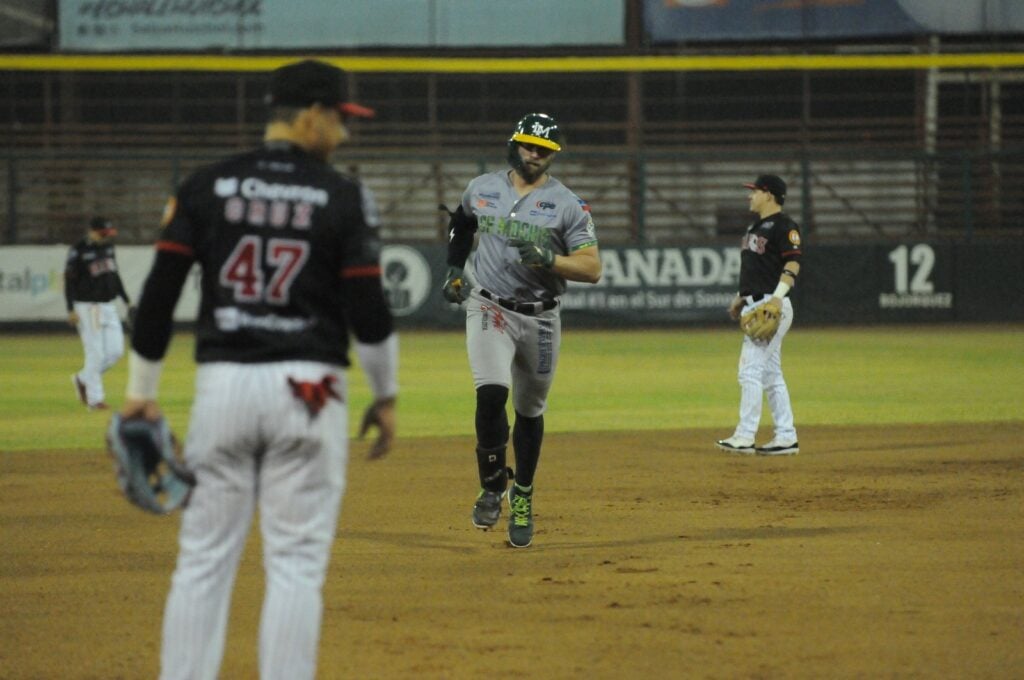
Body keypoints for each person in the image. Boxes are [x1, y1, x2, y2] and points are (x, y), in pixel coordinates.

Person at [115, 59, 399, 680]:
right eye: (340, 120)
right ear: (311, 115)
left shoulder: (206, 185)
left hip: (224, 388)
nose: (344, 135)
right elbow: (369, 312)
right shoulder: (342, 195)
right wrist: (386, 394)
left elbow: (159, 296)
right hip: (311, 389)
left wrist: (140, 394)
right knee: (296, 562)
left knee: (202, 559)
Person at [441, 112, 602, 548]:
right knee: (491, 393)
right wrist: (456, 268)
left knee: (529, 412)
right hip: (489, 304)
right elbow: (462, 224)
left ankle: (523, 494)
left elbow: (592, 269)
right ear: (515, 144)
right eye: (529, 145)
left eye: (544, 149)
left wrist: (550, 260)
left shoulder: (568, 204)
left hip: (540, 317)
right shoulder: (482, 187)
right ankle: (493, 483)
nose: (535, 154)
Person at [716, 174, 802, 456]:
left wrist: (777, 299)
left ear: (769, 194)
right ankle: (786, 436)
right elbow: (758, 268)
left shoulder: (784, 226)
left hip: (771, 305)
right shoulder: (756, 226)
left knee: (749, 371)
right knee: (771, 375)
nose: (749, 196)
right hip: (756, 302)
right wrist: (741, 297)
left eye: (754, 191)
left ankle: (745, 435)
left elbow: (793, 262)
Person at [65, 215, 133, 410]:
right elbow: (69, 281)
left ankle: (83, 378)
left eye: (109, 233)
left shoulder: (108, 248)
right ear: (93, 231)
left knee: (115, 352)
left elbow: (115, 275)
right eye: (104, 233)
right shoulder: (78, 250)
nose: (107, 236)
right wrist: (70, 308)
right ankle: (95, 400)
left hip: (108, 305)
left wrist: (127, 300)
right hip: (87, 307)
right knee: (95, 352)